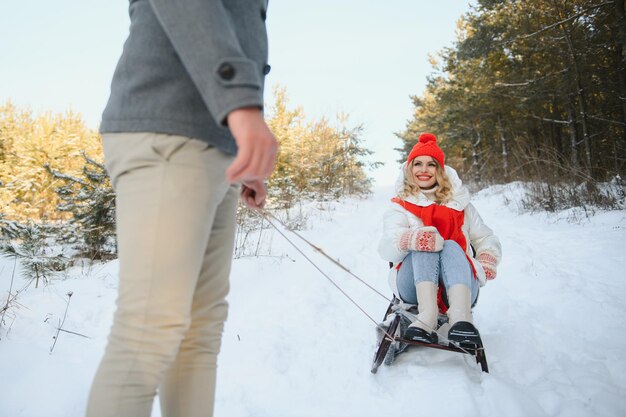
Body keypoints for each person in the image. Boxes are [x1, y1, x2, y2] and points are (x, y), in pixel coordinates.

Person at [86, 1, 277, 417]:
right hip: (167, 126)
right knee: (149, 330)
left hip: (219, 146)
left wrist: (242, 147)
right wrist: (241, 106)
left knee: (200, 330)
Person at [377, 133, 501, 349]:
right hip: (412, 285)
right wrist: (412, 239)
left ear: (440, 170)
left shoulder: (460, 205)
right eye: (418, 164)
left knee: (451, 244)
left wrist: (487, 257)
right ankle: (427, 316)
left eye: (431, 164)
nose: (423, 170)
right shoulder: (400, 206)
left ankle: (461, 318)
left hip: (460, 282)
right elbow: (387, 246)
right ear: (409, 169)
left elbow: (486, 237)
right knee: (427, 238)